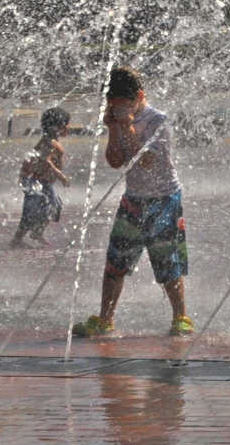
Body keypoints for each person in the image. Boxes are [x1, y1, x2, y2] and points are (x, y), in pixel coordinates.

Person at [72, 67, 191, 338]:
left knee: (166, 260)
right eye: (110, 106)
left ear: (138, 96)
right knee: (115, 261)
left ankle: (181, 316)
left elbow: (146, 161)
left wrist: (126, 126)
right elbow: (115, 161)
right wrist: (114, 128)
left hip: (164, 200)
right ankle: (106, 319)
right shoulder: (120, 120)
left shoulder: (159, 120)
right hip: (133, 200)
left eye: (119, 106)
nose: (114, 110)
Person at [13, 107, 71, 246]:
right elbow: (46, 159)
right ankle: (17, 239)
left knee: (53, 206)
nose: (69, 127)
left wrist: (22, 172)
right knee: (33, 210)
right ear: (58, 127)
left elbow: (30, 155)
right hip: (37, 182)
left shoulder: (47, 139)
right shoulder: (51, 142)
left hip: (41, 182)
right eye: (67, 124)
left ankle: (37, 233)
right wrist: (60, 175)